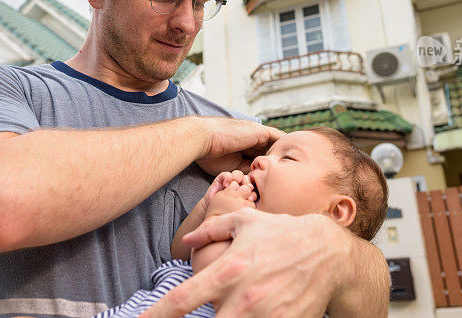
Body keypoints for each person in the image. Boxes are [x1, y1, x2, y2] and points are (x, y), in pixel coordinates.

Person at [0, 0, 390, 318]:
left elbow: (364, 289)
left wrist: (339, 252)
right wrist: (196, 132)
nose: (187, 23)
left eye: (202, 1)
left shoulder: (252, 144)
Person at [93, 127, 389, 318]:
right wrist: (207, 207)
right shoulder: (236, 225)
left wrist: (220, 216)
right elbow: (181, 251)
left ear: (335, 212)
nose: (259, 162)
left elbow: (211, 267)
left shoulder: (292, 269)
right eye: (267, 154)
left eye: (288, 159)